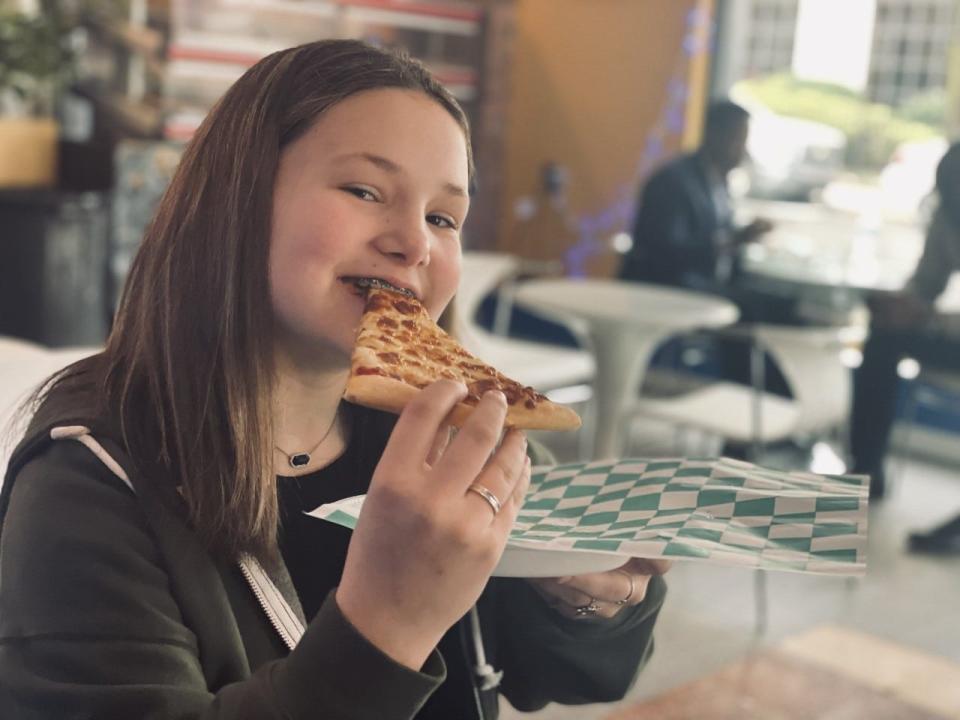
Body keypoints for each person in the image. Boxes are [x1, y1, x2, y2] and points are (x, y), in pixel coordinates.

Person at [0, 40, 670, 719]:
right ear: (237, 200)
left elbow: (577, 672)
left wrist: (587, 601)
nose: (415, 242)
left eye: (444, 217)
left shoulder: (453, 439)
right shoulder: (85, 484)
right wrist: (389, 622)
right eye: (364, 190)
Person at [850, 141, 960, 552]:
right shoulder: (949, 215)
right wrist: (905, 304)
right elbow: (928, 282)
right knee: (883, 338)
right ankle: (866, 468)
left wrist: (929, 318)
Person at [618, 99, 773, 298]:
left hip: (702, 289)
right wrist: (733, 241)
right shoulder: (673, 182)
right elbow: (666, 256)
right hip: (668, 295)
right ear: (714, 134)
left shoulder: (717, 183)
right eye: (737, 140)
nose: (742, 152)